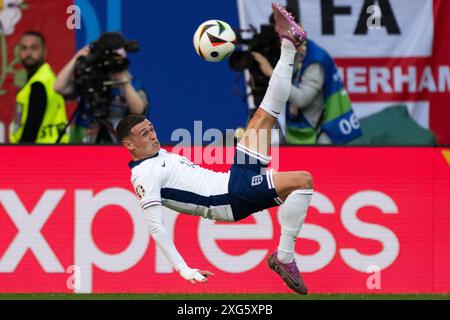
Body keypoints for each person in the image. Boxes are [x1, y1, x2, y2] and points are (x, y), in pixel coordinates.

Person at [117, 4, 313, 294]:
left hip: (232, 178)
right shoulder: (143, 175)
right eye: (144, 134)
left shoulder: (158, 157)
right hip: (230, 196)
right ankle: (285, 257)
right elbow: (156, 227)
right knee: (303, 180)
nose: (153, 136)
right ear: (129, 145)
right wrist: (184, 269)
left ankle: (287, 45)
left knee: (265, 114)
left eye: (152, 129)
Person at [252, 14, 362, 145]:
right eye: (279, 35)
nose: (282, 40)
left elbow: (302, 99)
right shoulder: (286, 54)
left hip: (320, 135)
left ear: (299, 29)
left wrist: (271, 73)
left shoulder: (316, 59)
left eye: (285, 33)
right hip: (297, 132)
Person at [54, 33, 148, 144]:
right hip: (82, 140)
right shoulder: (90, 79)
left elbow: (139, 110)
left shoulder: (129, 82)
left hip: (116, 141)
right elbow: (59, 87)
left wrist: (123, 81)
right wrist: (78, 57)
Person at [9, 31, 69, 144]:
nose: (28, 53)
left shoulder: (39, 83)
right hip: (50, 148)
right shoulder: (45, 77)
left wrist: (20, 153)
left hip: (40, 151)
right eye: (24, 48)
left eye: (34, 48)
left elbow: (32, 127)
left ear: (44, 52)